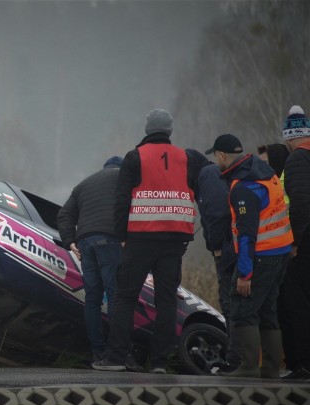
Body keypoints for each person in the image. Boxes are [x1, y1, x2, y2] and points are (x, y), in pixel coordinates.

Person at [93, 109, 197, 373]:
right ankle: (160, 363)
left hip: (140, 237)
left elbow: (122, 200)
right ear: (169, 130)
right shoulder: (186, 158)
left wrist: (122, 237)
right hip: (175, 240)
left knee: (125, 296)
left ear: (148, 129)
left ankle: (116, 358)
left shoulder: (134, 157)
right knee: (166, 301)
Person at [209, 134, 293, 378]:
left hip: (261, 255)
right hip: (281, 251)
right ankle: (269, 368)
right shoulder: (265, 172)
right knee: (267, 309)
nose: (216, 161)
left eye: (216, 156)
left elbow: (246, 234)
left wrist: (244, 274)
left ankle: (247, 367)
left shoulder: (243, 186)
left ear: (223, 156)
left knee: (243, 308)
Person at [56, 156, 123, 368]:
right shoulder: (123, 177)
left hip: (85, 242)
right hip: (110, 239)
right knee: (115, 295)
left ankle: (97, 352)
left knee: (93, 299)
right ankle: (117, 353)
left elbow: (64, 214)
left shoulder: (83, 184)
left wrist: (70, 242)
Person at [188, 148, 240, 372]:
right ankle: (240, 358)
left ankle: (236, 360)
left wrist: (216, 246)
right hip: (232, 246)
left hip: (228, 249)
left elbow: (219, 213)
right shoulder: (206, 175)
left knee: (231, 303)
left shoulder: (207, 174)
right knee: (231, 303)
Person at [279, 105, 310, 380]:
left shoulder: (298, 159)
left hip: (305, 241)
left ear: (290, 137)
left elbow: (300, 202)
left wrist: (295, 241)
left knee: (297, 302)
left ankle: (301, 364)